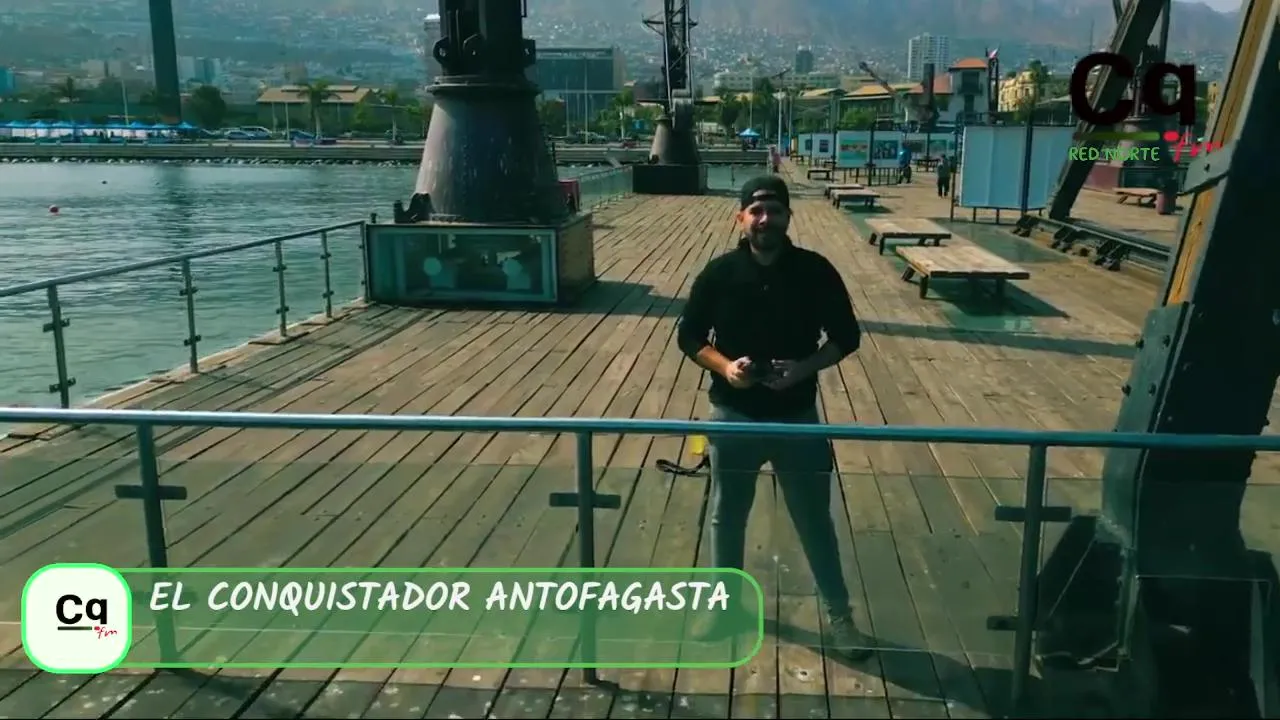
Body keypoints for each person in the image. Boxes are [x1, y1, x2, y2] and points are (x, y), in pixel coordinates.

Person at [676, 175, 873, 662]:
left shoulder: (815, 271)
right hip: (732, 416)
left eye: (775, 210)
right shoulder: (719, 274)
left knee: (814, 521)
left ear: (788, 217)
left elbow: (846, 336)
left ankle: (840, 618)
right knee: (726, 517)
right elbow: (690, 336)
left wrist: (803, 368)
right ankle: (724, 609)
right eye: (757, 211)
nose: (766, 219)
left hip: (797, 417)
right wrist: (727, 368)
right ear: (740, 218)